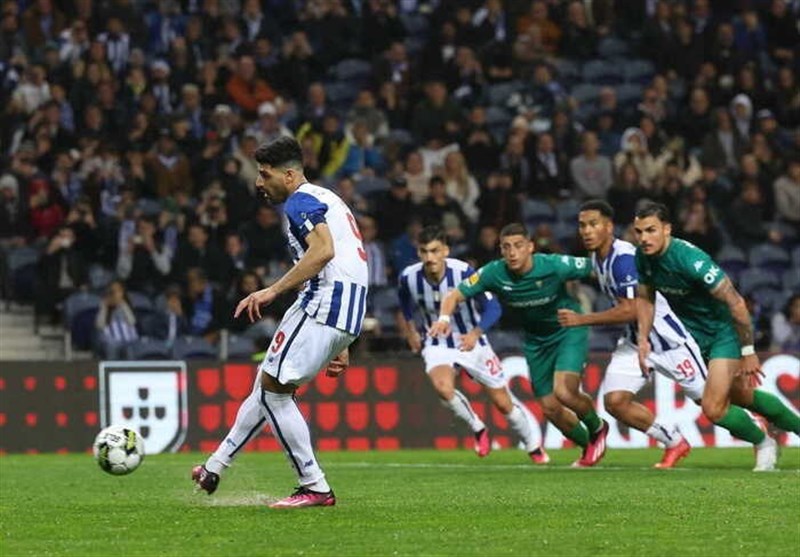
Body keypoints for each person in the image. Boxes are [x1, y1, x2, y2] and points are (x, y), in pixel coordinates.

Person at [192, 137, 369, 509]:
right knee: (268, 382)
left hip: (326, 303)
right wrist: (342, 341)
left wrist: (271, 290)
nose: (259, 183)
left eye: (264, 174)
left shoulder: (299, 201)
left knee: (274, 391)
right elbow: (342, 258)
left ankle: (314, 486)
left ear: (288, 175)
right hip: (340, 308)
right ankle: (214, 467)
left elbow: (324, 251)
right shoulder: (326, 198)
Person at [559, 200, 774, 469]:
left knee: (712, 405)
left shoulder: (624, 260)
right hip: (637, 341)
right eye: (582, 225)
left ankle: (756, 427)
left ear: (609, 226)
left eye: (593, 224)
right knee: (615, 402)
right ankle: (673, 442)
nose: (586, 231)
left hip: (671, 343)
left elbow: (633, 308)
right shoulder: (597, 258)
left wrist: (582, 320)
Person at [634, 202, 800, 471]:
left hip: (724, 333)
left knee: (712, 407)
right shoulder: (642, 258)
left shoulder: (692, 261)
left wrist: (748, 351)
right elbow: (645, 298)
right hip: (695, 339)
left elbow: (736, 303)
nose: (643, 238)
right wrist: (643, 339)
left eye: (650, 230)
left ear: (667, 229)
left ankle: (764, 442)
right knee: (742, 397)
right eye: (639, 231)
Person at [430, 223, 609, 467]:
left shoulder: (553, 265)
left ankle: (597, 428)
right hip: (536, 341)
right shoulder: (493, 272)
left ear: (530, 247)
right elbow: (454, 295)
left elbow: (598, 266)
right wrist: (443, 318)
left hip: (567, 329)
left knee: (564, 391)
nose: (512, 252)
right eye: (506, 247)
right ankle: (588, 445)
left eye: (518, 246)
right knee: (550, 408)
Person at [397, 226, 548, 463]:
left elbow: (493, 307)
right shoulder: (408, 277)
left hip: (472, 340)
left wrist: (476, 333)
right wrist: (411, 331)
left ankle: (533, 445)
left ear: (445, 251)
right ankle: (478, 427)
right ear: (418, 253)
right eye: (424, 252)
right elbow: (404, 302)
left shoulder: (463, 272)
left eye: (435, 251)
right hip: (437, 341)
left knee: (503, 403)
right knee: (442, 387)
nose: (430, 257)